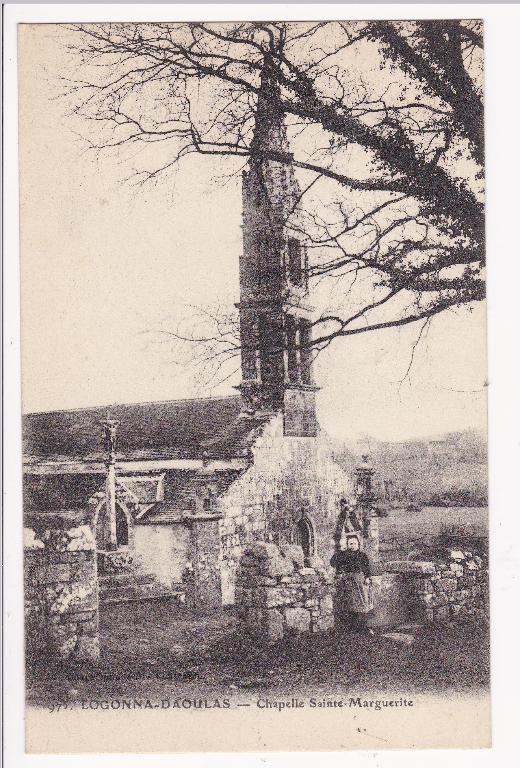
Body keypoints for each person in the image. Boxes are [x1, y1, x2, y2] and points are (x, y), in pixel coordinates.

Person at [330, 534, 375, 635]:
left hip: (359, 582)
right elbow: (333, 563)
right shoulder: (343, 554)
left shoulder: (362, 555)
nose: (352, 545)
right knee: (347, 605)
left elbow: (366, 568)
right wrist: (339, 552)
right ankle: (348, 628)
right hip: (345, 583)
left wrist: (367, 577)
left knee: (361, 604)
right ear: (347, 545)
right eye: (350, 543)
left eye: (355, 543)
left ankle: (363, 628)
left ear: (358, 544)